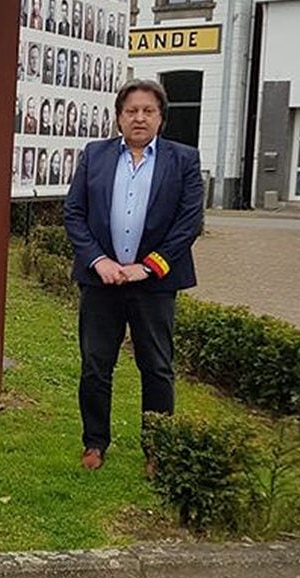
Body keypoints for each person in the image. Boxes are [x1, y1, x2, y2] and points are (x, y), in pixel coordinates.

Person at [63, 79, 203, 474]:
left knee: (157, 366)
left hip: (154, 285)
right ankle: (94, 443)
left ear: (161, 117)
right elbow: (74, 213)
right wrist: (99, 261)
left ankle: (156, 450)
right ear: (119, 117)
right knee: (95, 365)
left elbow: (188, 223)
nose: (139, 118)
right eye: (131, 111)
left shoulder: (184, 160)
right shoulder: (96, 155)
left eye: (148, 111)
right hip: (100, 283)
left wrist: (149, 265)